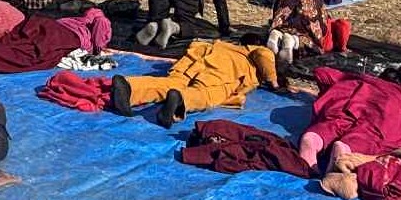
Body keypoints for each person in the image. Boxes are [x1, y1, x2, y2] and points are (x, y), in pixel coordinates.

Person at [108, 39, 280, 128]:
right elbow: (264, 56)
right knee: (206, 93)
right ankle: (181, 101)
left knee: (172, 83)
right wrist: (274, 82)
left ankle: (130, 87)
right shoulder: (251, 53)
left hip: (200, 55)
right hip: (225, 67)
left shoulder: (226, 46)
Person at [300, 66, 401, 168]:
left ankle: (313, 138)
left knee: (330, 125)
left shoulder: (362, 79)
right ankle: (345, 150)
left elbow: (321, 73)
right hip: (383, 112)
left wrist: (347, 78)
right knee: (366, 137)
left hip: (347, 101)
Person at [0, 8, 112, 78]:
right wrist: (99, 50)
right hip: (61, 37)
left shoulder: (77, 19)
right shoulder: (99, 21)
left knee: (13, 42)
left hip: (43, 22)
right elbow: (99, 39)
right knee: (29, 56)